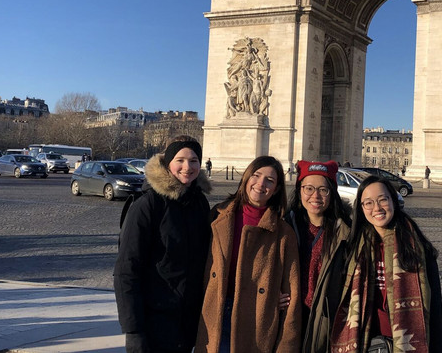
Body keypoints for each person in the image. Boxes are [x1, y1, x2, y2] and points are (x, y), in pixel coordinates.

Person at [114, 136, 212, 353]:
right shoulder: (147, 205)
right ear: (168, 163)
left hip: (186, 323)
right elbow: (126, 271)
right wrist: (133, 331)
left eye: (194, 160)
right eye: (180, 160)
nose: (187, 167)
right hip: (153, 324)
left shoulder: (199, 202)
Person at [196, 156, 302, 353]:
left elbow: (291, 294)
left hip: (255, 322)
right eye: (256, 175)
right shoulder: (217, 216)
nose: (261, 184)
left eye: (270, 180)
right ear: (246, 178)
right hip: (214, 315)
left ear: (277, 189)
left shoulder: (284, 233)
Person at [330, 176, 442, 353]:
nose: (376, 208)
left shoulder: (419, 249)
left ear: (393, 200)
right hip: (364, 342)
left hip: (406, 343)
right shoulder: (351, 249)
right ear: (361, 208)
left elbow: (435, 311)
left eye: (383, 199)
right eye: (368, 203)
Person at [285, 160, 352, 352]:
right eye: (309, 188)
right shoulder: (284, 225)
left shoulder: (347, 231)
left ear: (332, 193)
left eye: (323, 190)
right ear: (299, 190)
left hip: (327, 319)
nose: (316, 195)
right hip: (290, 316)